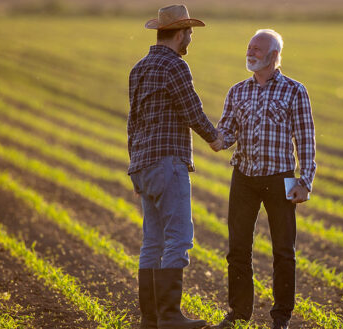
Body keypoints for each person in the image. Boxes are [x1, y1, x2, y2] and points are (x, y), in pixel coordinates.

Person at [212, 29, 316, 329]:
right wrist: (212, 136)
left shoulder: (295, 91)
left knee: (284, 251)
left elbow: (305, 139)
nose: (251, 52)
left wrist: (304, 181)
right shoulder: (237, 92)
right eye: (249, 47)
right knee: (238, 249)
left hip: (280, 179)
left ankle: (281, 317)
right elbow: (226, 134)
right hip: (243, 177)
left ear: (274, 56)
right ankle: (239, 313)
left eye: (257, 49)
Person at [127, 4, 223, 329]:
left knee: (152, 241)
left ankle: (150, 319)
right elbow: (192, 111)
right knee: (179, 237)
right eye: (190, 33)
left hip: (143, 163)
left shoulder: (138, 68)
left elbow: (132, 122)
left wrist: (135, 165)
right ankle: (169, 316)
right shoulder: (175, 66)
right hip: (168, 162)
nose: (191, 40)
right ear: (180, 33)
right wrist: (216, 138)